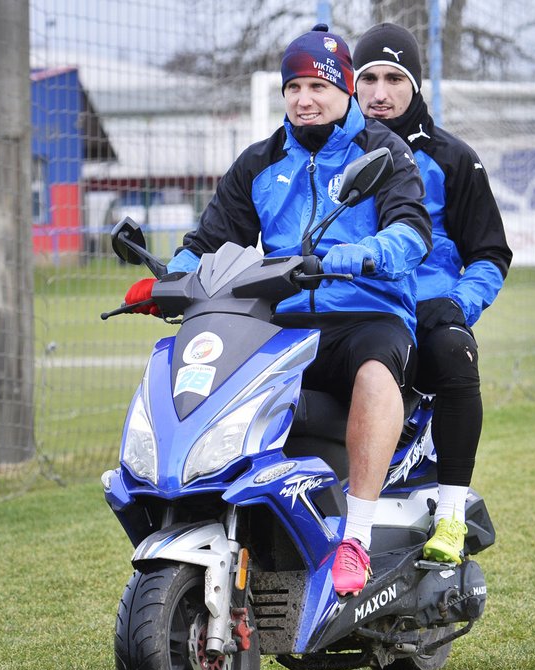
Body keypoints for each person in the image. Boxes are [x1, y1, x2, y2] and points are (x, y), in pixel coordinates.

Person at [124, 24, 432, 597]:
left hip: (366, 315)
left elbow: (411, 233)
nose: (303, 98)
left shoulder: (383, 152)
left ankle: (356, 538)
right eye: (293, 87)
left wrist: (354, 257)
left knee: (373, 371)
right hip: (282, 317)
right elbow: (210, 240)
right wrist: (166, 279)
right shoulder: (259, 162)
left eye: (317, 85)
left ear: (345, 91)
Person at [352, 23, 512, 564]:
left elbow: (491, 254)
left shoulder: (453, 158)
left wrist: (458, 304)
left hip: (428, 310)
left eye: (394, 78)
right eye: (368, 77)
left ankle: (449, 514)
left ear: (415, 85)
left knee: (453, 350)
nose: (379, 92)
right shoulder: (331, 153)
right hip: (356, 308)